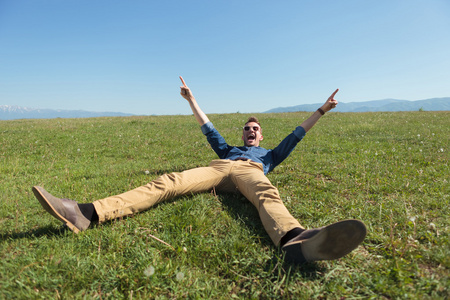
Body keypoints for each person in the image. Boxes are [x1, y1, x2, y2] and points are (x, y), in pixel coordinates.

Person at [32, 76, 366, 265]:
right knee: (169, 181)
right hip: (221, 169)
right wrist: (190, 99)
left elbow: (297, 133)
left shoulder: (269, 154)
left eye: (255, 129)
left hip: (253, 172)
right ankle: (85, 213)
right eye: (247, 128)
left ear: (261, 135)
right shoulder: (228, 148)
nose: (251, 131)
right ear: (243, 134)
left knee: (267, 193)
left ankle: (296, 240)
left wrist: (322, 110)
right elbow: (208, 128)